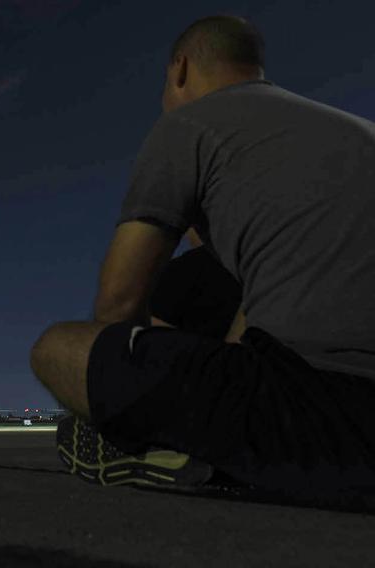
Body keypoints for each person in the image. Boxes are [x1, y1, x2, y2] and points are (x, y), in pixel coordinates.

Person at [29, 14, 375, 502]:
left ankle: (186, 452)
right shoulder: (358, 132)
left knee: (56, 348)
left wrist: (119, 406)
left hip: (317, 424)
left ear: (181, 69)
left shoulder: (188, 125)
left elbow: (117, 307)